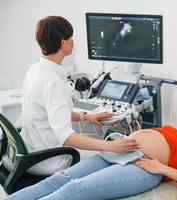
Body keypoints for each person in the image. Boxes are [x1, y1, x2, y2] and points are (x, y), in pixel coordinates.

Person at [20, 16, 139, 176]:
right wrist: (110, 146)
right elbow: (65, 137)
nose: (73, 42)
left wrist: (86, 117)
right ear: (63, 43)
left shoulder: (35, 69)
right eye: (70, 37)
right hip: (50, 160)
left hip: (32, 152)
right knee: (113, 156)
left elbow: (52, 113)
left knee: (102, 145)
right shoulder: (53, 81)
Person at [5, 115, 177, 200]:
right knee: (56, 180)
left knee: (72, 189)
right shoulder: (176, 130)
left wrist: (161, 168)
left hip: (140, 165)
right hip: (115, 152)